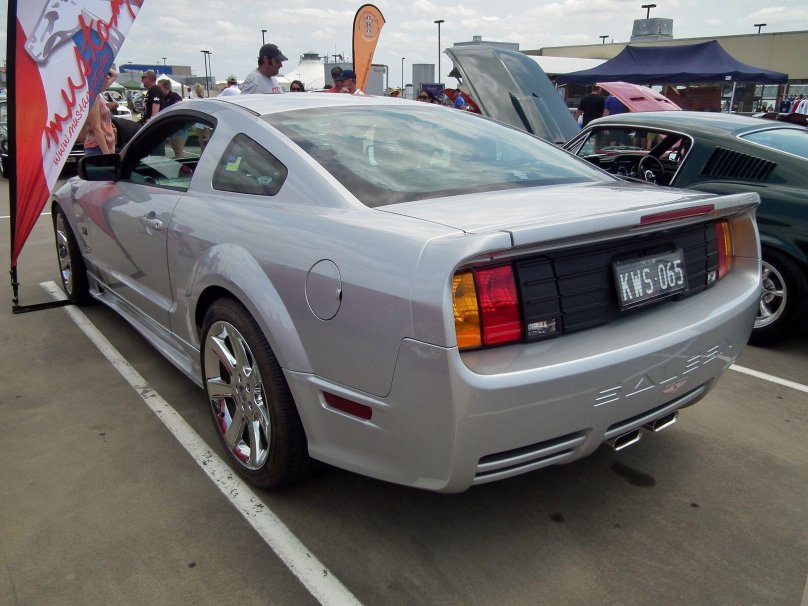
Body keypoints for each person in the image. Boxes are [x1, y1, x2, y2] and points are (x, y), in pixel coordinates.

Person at [84, 68, 118, 155]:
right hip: (98, 148)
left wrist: (101, 64)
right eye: (104, 75)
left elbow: (115, 74)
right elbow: (96, 128)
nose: (107, 77)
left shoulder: (97, 94)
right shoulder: (93, 97)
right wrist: (107, 154)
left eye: (107, 75)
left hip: (102, 147)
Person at [158, 79, 186, 157]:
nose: (158, 89)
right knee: (176, 150)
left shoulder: (174, 96)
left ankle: (183, 167)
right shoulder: (161, 98)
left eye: (159, 87)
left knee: (178, 150)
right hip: (170, 128)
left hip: (178, 128)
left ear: (166, 87)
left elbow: (180, 109)